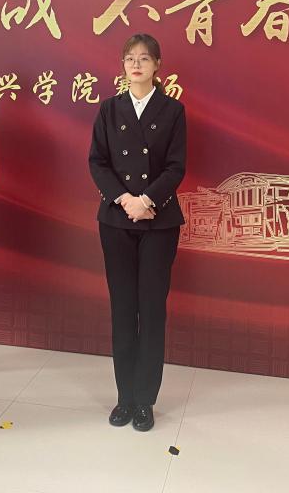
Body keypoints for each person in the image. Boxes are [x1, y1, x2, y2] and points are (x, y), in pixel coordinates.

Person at [88, 33, 187, 432]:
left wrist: (146, 199)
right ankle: (124, 397)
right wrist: (124, 199)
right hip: (116, 219)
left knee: (152, 309)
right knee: (123, 309)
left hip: (159, 220)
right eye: (130, 58)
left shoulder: (173, 110)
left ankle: (145, 400)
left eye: (144, 58)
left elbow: (176, 166)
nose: (136, 64)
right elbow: (97, 162)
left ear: (157, 64)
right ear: (123, 64)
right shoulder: (109, 109)